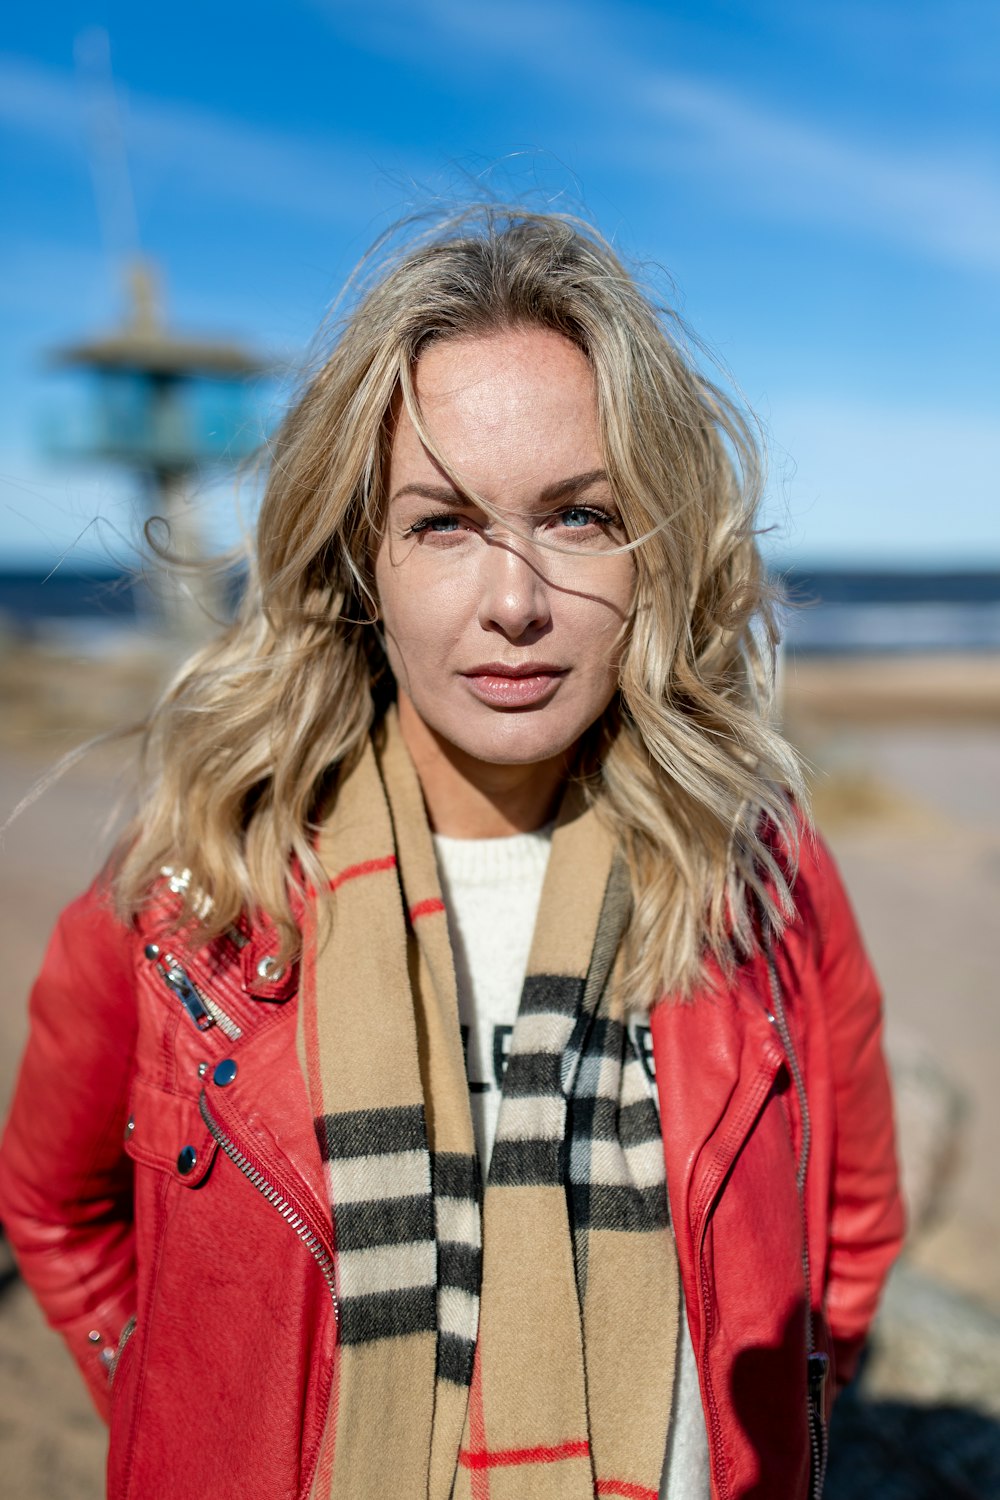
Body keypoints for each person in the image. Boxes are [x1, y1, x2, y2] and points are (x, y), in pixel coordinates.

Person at [0, 207, 903, 1500]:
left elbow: (850, 1231)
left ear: (652, 550)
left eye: (579, 517)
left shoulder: (758, 878)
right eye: (443, 522)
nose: (516, 599)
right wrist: (190, 1409)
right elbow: (54, 1208)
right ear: (361, 556)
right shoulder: (197, 895)